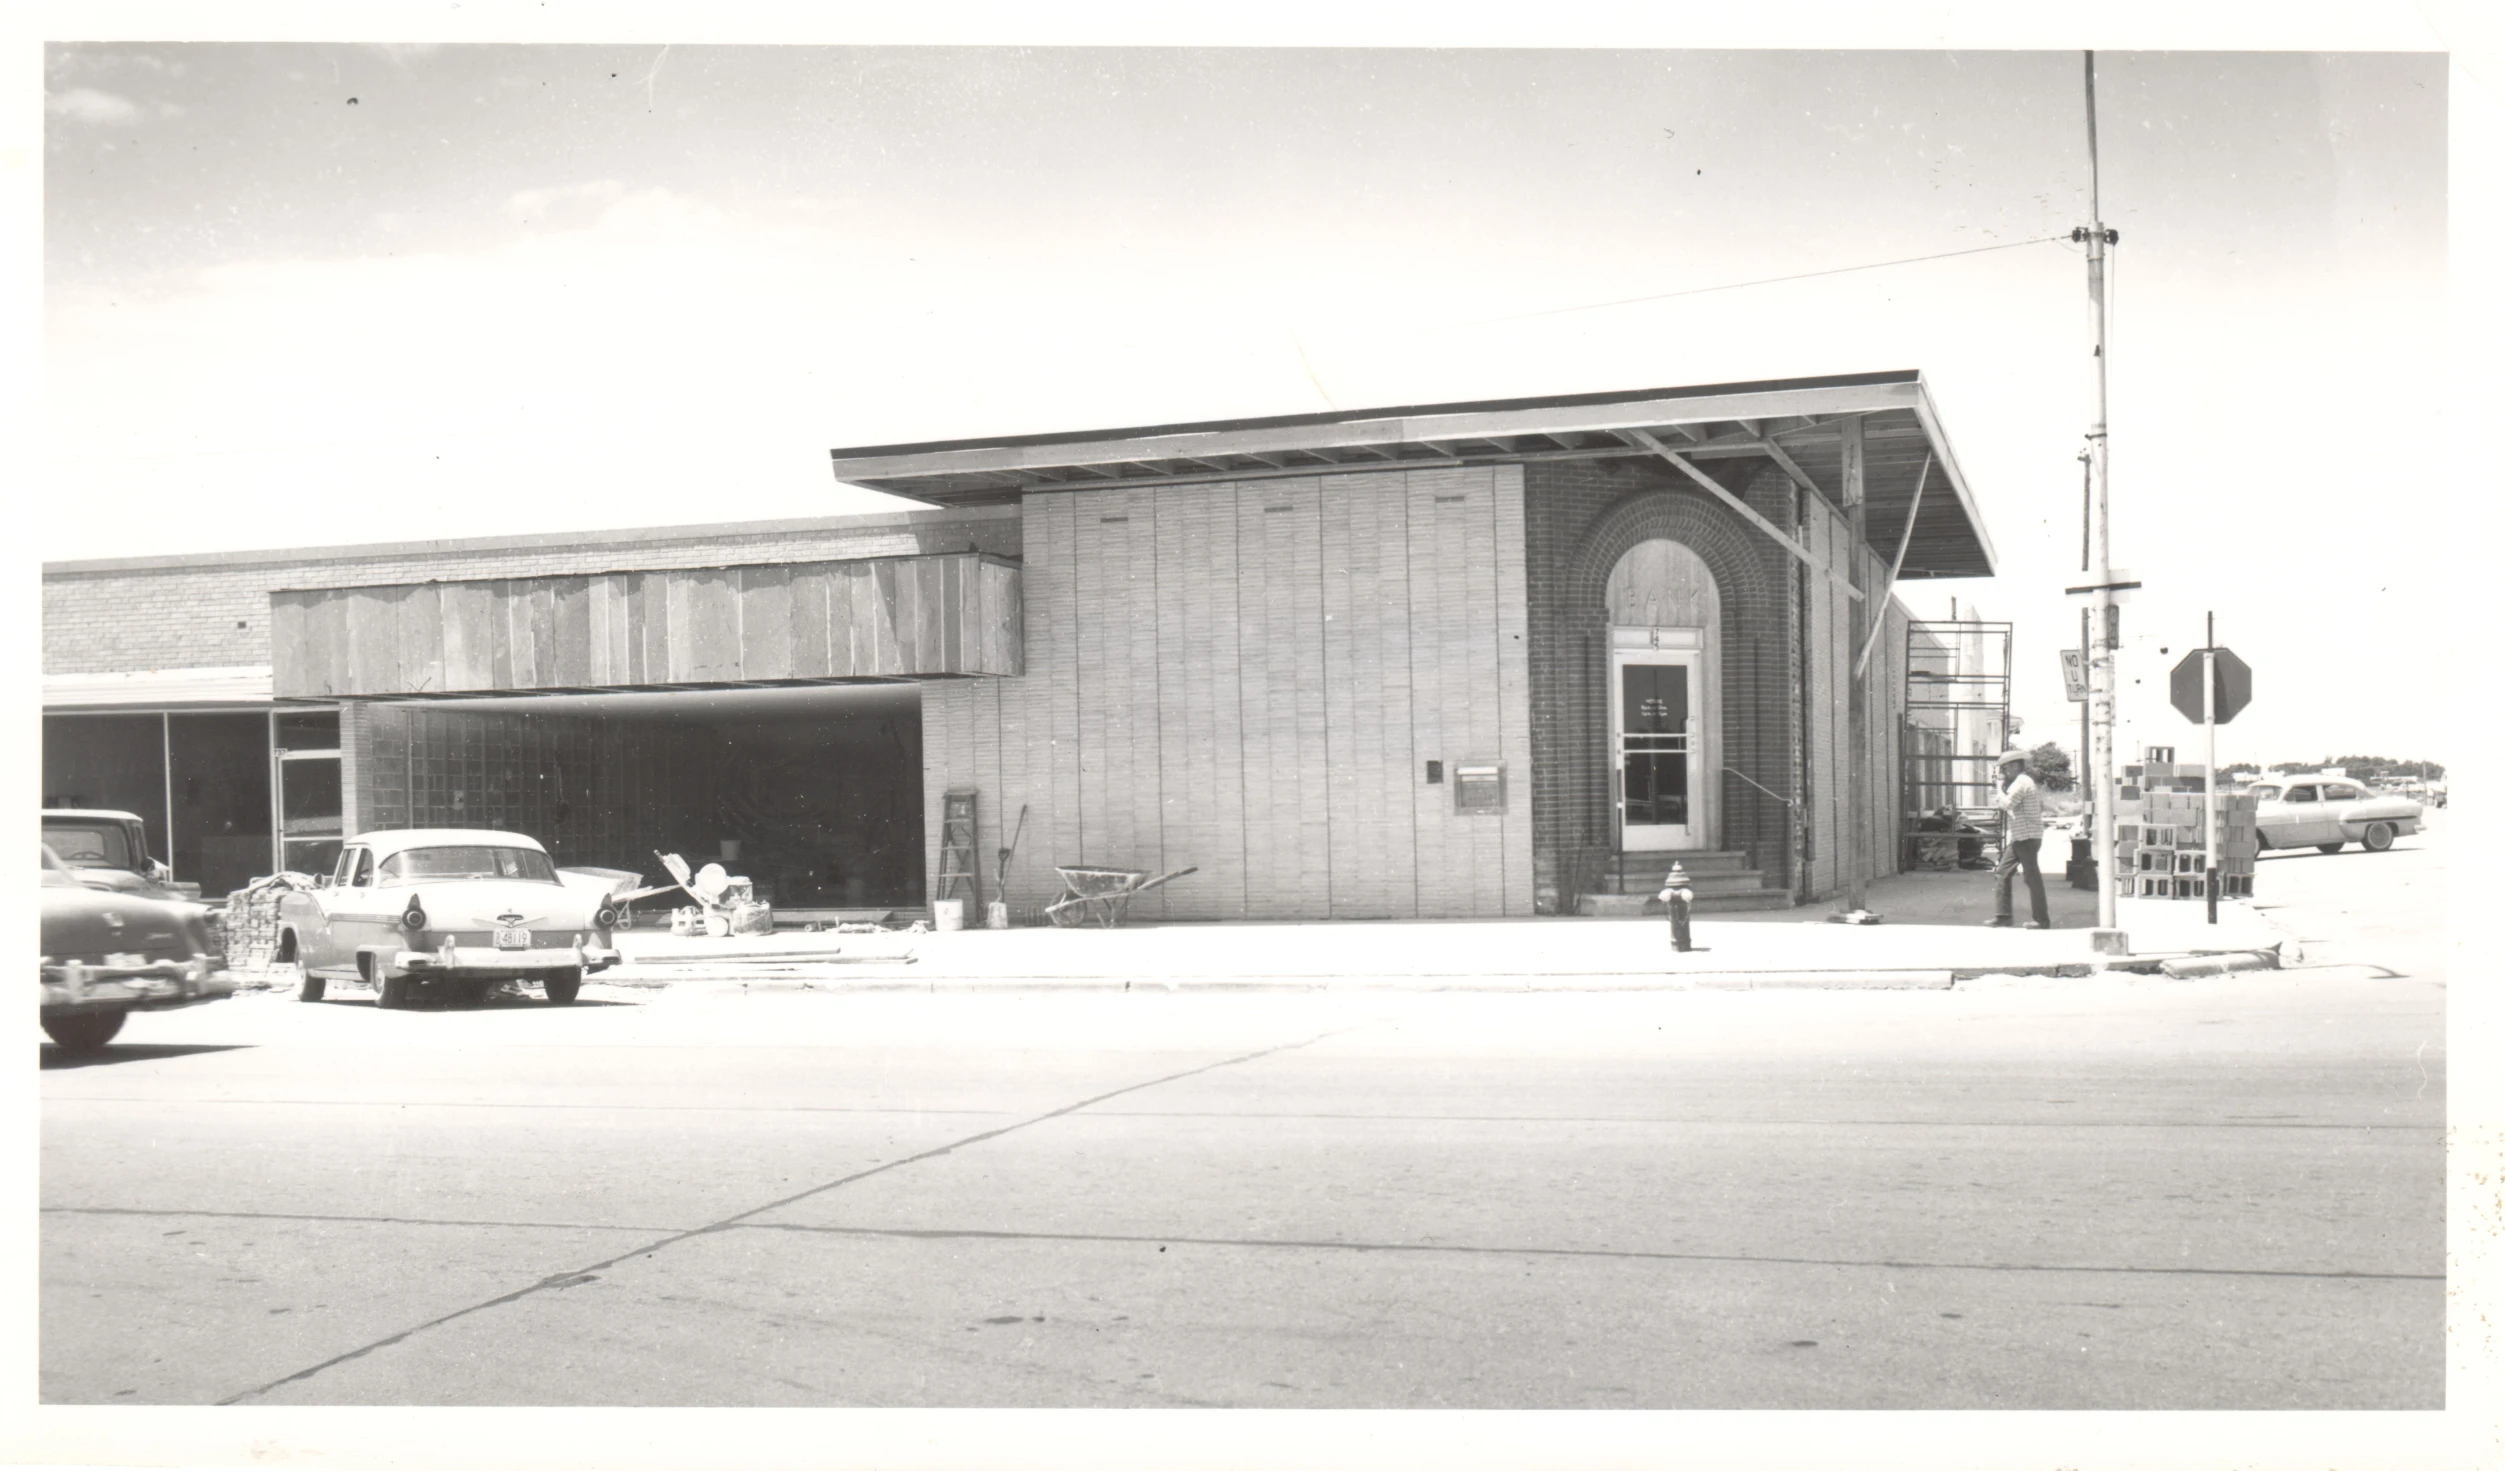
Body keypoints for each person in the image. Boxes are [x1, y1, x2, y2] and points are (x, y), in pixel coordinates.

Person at [1987, 749, 2051, 929]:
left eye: (2005, 768)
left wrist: (1998, 788)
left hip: (2027, 837)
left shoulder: (2022, 782)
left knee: (2031, 877)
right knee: (2002, 873)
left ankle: (2041, 920)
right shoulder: (2021, 782)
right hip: (2021, 836)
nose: (2004, 772)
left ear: (2015, 765)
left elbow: (2007, 804)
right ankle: (2003, 916)